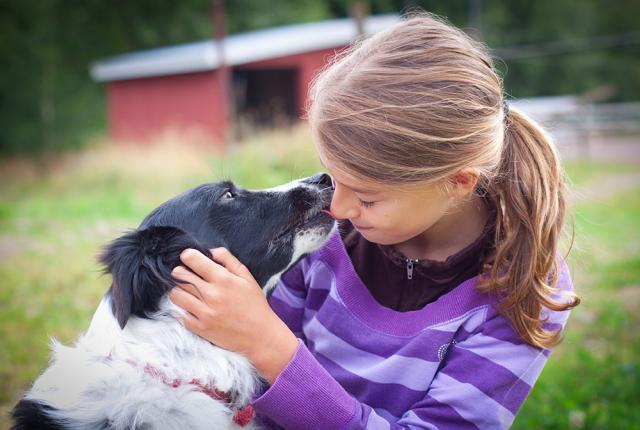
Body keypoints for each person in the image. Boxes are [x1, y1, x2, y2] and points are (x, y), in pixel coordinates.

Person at [168, 12, 580, 429]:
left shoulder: (523, 291)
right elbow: (240, 391)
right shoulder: (320, 243)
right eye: (332, 178)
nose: (337, 209)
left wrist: (269, 346)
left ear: (458, 182)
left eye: (366, 196)